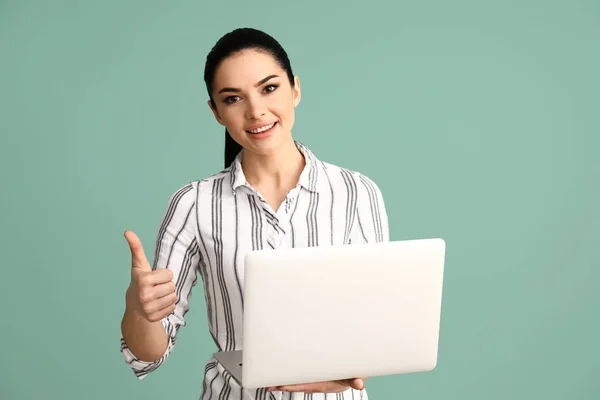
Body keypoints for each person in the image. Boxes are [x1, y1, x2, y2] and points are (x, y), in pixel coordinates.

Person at [120, 27, 389, 400]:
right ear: (216, 112)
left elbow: (375, 324)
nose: (256, 111)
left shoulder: (358, 192)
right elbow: (149, 353)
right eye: (233, 98)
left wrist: (356, 370)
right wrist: (138, 308)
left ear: (295, 88)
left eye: (269, 88)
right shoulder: (194, 204)